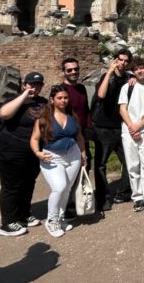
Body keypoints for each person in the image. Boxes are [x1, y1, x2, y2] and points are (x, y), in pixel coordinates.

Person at [0, 72, 47, 237]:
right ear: (25, 85)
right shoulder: (14, 100)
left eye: (38, 84)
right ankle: (8, 222)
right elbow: (4, 114)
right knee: (11, 186)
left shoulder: (43, 102)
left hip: (32, 151)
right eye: (32, 84)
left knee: (28, 183)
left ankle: (23, 214)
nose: (35, 87)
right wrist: (25, 95)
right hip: (10, 150)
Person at [30, 85, 86, 237]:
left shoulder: (72, 116)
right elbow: (34, 138)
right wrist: (38, 153)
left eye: (65, 98)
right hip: (52, 156)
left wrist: (83, 155)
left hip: (73, 155)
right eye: (59, 98)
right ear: (52, 100)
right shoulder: (44, 118)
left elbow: (79, 137)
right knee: (59, 187)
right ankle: (52, 220)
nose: (63, 101)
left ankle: (60, 218)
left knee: (67, 188)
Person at [118, 58, 144, 217]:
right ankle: (137, 197)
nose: (140, 71)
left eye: (142, 68)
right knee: (132, 165)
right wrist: (132, 126)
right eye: (136, 69)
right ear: (133, 71)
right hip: (128, 130)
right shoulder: (127, 87)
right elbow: (122, 109)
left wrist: (139, 125)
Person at [93, 48, 133, 211]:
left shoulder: (129, 78)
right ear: (115, 60)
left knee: (129, 161)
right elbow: (101, 95)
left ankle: (123, 192)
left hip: (121, 126)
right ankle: (103, 198)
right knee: (101, 165)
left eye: (126, 61)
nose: (122, 63)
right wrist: (109, 71)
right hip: (103, 127)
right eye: (120, 60)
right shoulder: (106, 76)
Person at [61, 57, 91, 221]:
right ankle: (66, 206)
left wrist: (89, 129)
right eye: (70, 70)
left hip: (82, 135)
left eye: (76, 69)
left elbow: (85, 110)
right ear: (64, 72)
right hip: (68, 137)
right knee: (68, 172)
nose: (73, 72)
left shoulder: (81, 88)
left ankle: (78, 200)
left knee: (84, 167)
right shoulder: (60, 90)